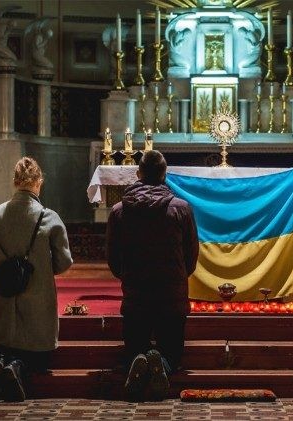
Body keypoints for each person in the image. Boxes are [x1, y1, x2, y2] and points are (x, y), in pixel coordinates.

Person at [0, 157, 73, 402]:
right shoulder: (49, 218)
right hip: (37, 304)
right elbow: (64, 262)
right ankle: (17, 367)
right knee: (38, 359)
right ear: (39, 182)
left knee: (6, 344)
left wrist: (6, 267)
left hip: (4, 298)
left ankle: (2, 363)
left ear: (15, 182)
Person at [106, 150, 199, 401]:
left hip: (136, 295)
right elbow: (191, 257)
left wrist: (128, 275)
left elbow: (113, 260)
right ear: (165, 175)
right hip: (171, 296)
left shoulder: (118, 211)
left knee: (134, 344)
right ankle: (161, 365)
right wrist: (178, 276)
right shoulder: (181, 209)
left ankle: (140, 358)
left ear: (138, 174)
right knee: (173, 352)